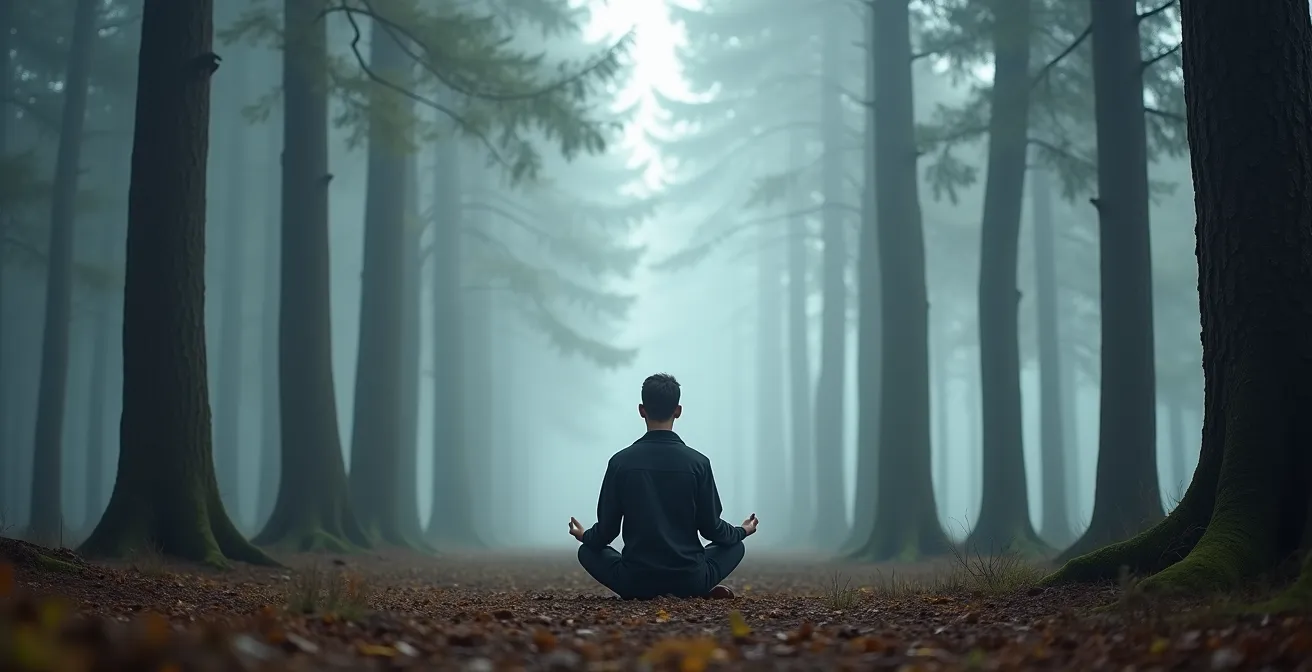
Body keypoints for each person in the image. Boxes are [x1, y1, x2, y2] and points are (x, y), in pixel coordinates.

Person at [569, 373, 758, 600]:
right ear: (678, 411)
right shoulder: (698, 463)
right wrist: (742, 531)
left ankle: (652, 586)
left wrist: (584, 536)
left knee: (587, 551)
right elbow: (712, 529)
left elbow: (607, 532)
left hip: (635, 582)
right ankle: (695, 590)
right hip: (690, 579)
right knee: (736, 546)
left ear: (641, 410)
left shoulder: (620, 462)